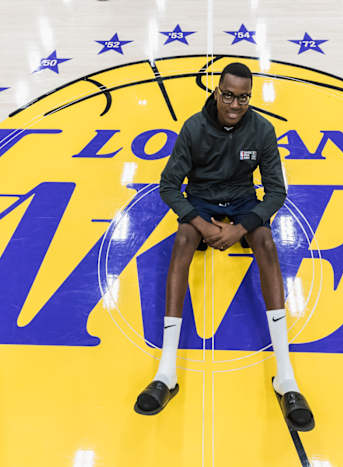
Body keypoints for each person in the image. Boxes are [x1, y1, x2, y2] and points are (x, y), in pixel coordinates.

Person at [133, 62, 314, 431]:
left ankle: (286, 377)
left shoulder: (262, 130)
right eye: (228, 95)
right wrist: (200, 224)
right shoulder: (193, 128)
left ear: (250, 97)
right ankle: (166, 373)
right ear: (216, 92)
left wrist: (241, 228)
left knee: (265, 242)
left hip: (242, 201)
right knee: (183, 241)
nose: (234, 104)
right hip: (202, 201)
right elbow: (169, 185)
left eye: (243, 97)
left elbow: (276, 191)